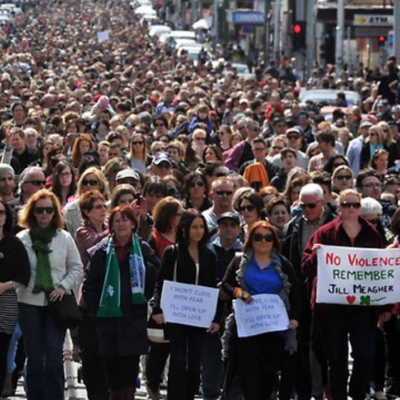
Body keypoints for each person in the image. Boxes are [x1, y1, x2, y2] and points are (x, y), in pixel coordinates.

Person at [302, 189, 390, 400]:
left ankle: (357, 394)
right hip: (331, 307)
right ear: (339, 207)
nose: (351, 209)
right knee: (336, 359)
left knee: (364, 355)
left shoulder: (372, 234)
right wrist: (316, 254)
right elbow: (305, 267)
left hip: (363, 306)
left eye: (355, 205)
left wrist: (385, 307)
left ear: (360, 208)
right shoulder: (324, 233)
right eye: (346, 204)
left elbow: (382, 272)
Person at [83, 206, 159, 399]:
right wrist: (96, 311)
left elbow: (157, 280)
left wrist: (144, 268)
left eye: (125, 220)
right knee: (111, 375)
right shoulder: (101, 251)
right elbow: (89, 284)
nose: (121, 224)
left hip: (133, 321)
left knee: (128, 374)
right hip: (107, 321)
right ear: (111, 225)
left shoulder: (142, 249)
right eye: (116, 220)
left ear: (133, 223)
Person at [220, 220, 299, 400]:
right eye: (258, 237)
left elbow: (296, 292)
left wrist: (295, 318)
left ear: (274, 241)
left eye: (268, 237)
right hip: (247, 329)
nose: (263, 241)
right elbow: (226, 284)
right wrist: (240, 293)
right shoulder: (240, 260)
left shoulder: (283, 263)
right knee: (249, 375)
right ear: (251, 240)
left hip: (275, 330)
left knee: (268, 376)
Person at [16, 189, 83, 400]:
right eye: (39, 210)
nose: (44, 214)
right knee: (36, 359)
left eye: (49, 210)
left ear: (55, 212)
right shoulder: (22, 239)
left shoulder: (64, 238)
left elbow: (76, 268)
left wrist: (63, 286)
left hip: (57, 304)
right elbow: (14, 269)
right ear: (32, 212)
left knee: (54, 358)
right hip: (28, 302)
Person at [151, 209, 221, 400]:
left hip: (199, 316)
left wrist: (215, 318)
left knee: (195, 360)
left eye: (201, 227)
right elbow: (161, 281)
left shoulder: (209, 255)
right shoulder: (172, 253)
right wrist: (157, 308)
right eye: (194, 227)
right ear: (185, 229)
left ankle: (189, 395)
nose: (198, 231)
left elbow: (211, 287)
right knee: (179, 359)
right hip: (176, 315)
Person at [202, 211, 243, 400]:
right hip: (209, 310)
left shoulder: (244, 252)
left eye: (232, 225)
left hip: (237, 310)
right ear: (217, 228)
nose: (228, 229)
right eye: (224, 225)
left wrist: (229, 291)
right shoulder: (207, 250)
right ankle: (210, 392)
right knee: (210, 355)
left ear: (239, 229)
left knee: (233, 356)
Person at [0, 200, 30, 395]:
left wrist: (6, 285)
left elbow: (24, 274)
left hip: (6, 304)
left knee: (2, 350)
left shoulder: (13, 243)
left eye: (1, 212)